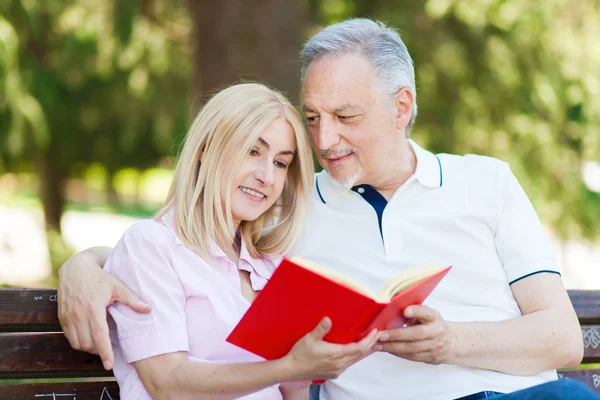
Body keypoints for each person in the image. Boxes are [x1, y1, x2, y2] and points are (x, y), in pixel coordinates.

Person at [58, 19, 599, 400]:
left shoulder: (487, 181)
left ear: (401, 106)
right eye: (313, 117)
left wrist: (450, 341)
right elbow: (186, 243)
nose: (326, 139)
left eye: (345, 116)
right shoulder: (286, 207)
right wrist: (82, 266)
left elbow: (563, 337)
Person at [78, 82, 381, 400]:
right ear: (205, 150)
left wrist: (309, 366)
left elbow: (293, 389)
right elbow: (167, 382)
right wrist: (289, 367)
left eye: (280, 163)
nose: (267, 176)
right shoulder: (152, 246)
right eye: (253, 151)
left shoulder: (270, 264)